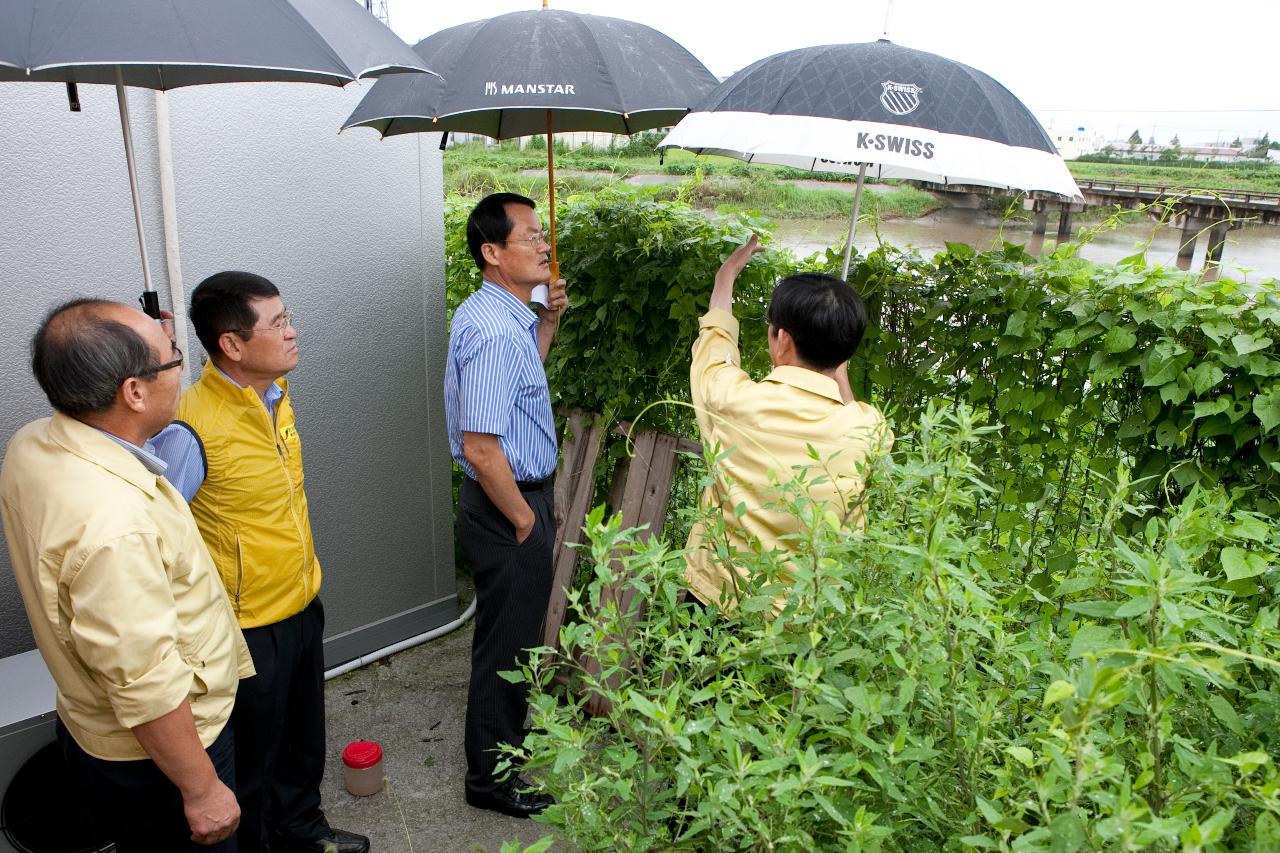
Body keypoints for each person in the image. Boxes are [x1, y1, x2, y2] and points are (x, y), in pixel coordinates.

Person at [1, 299, 254, 851]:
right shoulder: (115, 526)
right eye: (173, 358)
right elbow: (145, 682)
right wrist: (201, 789)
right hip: (160, 757)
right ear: (134, 392)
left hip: (90, 728)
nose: (182, 367)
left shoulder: (33, 443)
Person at [150, 273, 367, 853]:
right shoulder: (188, 429)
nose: (292, 332)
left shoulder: (273, 398)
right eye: (277, 324)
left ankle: (304, 831)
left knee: (302, 743)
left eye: (286, 317)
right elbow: (154, 539)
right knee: (252, 760)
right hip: (245, 631)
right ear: (232, 345)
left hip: (300, 602)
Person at [685, 235, 893, 612]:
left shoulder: (732, 400)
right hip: (803, 626)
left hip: (714, 602)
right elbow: (852, 407)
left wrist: (726, 277)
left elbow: (715, 346)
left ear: (782, 339)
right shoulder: (868, 431)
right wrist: (835, 365)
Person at [446, 192, 567, 818]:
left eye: (541, 233)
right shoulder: (495, 330)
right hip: (508, 506)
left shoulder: (505, 318)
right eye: (530, 236)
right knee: (508, 648)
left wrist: (545, 325)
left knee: (508, 637)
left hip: (507, 501)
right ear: (493, 253)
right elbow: (481, 444)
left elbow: (518, 397)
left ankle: (501, 753)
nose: (544, 244)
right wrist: (524, 518)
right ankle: (492, 779)